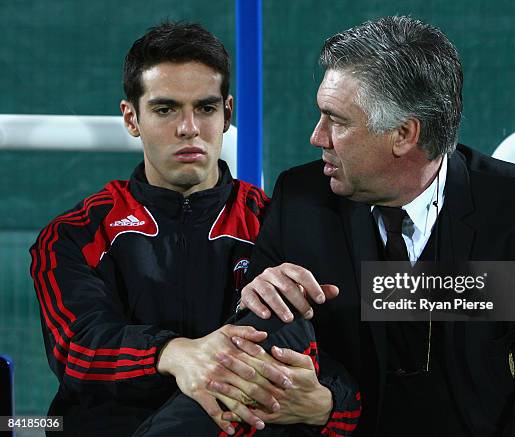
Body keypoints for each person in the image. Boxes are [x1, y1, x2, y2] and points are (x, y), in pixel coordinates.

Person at [238, 16, 515, 436]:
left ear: (405, 134)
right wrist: (253, 302)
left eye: (336, 120)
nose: (317, 137)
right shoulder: (299, 200)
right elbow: (257, 357)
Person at [30, 22, 358, 437]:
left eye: (205, 108)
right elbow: (78, 348)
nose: (189, 128)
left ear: (227, 114)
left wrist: (327, 406)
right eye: (165, 109)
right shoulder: (74, 235)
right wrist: (173, 353)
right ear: (131, 118)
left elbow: (343, 362)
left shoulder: (281, 225)